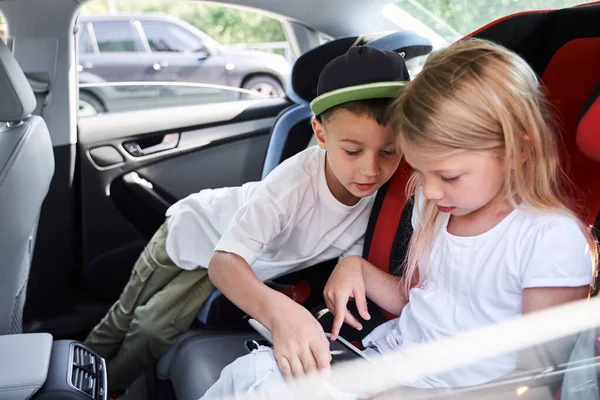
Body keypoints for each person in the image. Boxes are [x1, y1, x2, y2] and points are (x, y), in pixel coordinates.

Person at [199, 38, 598, 400]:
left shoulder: (549, 239)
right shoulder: (440, 206)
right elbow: (427, 301)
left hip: (450, 391)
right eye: (420, 172)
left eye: (449, 176)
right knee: (252, 373)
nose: (431, 190)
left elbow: (536, 383)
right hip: (384, 364)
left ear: (516, 152)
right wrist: (356, 267)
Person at [83, 45, 408, 391]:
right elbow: (224, 264)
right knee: (124, 315)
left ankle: (107, 388)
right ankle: (79, 375)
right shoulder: (294, 184)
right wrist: (280, 313)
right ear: (321, 134)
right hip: (192, 231)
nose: (371, 169)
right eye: (353, 151)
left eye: (389, 151)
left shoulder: (381, 200)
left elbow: (346, 270)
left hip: (237, 257)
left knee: (152, 329)